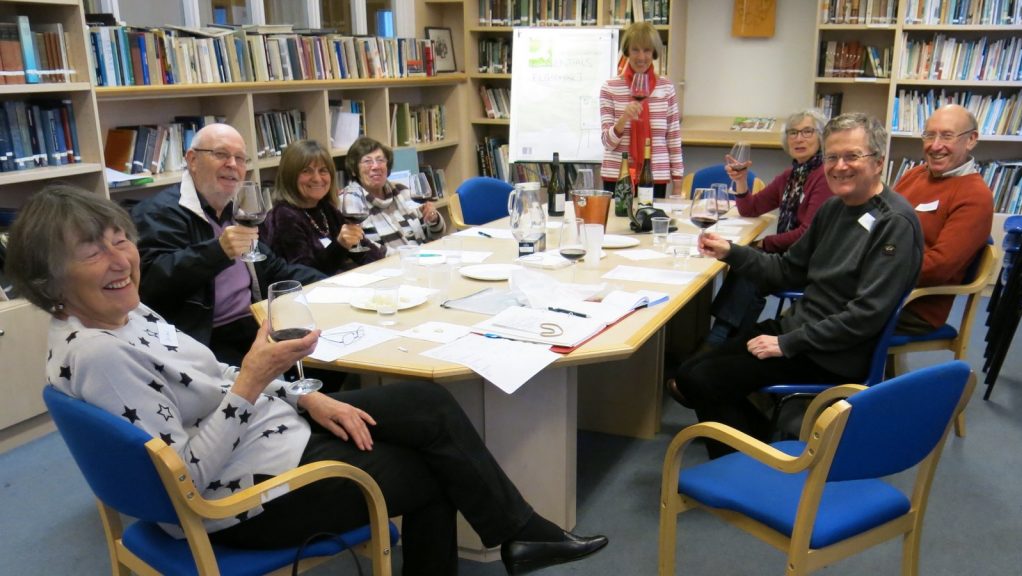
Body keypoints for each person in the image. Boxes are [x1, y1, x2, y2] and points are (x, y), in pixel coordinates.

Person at [8, 184, 608, 576]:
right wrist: (253, 381)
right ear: (50, 277)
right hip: (238, 500)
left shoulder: (126, 312)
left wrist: (304, 392)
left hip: (270, 435)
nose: (121, 260)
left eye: (121, 241)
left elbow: (211, 375)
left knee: (426, 405)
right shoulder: (101, 355)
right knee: (434, 470)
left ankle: (522, 534)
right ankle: (521, 534)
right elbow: (184, 479)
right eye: (94, 253)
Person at [669, 113, 923, 458]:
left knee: (704, 380)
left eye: (852, 156)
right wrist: (732, 253)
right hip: (800, 331)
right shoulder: (834, 208)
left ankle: (749, 466)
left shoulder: (895, 223)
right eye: (832, 157)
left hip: (832, 352)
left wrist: (787, 343)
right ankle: (764, 446)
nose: (840, 166)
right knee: (686, 372)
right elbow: (787, 271)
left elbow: (865, 316)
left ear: (878, 162)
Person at [131, 124, 324, 368]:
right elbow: (150, 284)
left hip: (255, 321)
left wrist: (335, 282)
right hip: (205, 338)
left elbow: (275, 269)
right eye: (221, 154)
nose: (232, 164)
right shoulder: (159, 212)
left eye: (240, 158)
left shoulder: (236, 212)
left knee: (326, 349)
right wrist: (218, 251)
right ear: (192, 159)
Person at [706, 108, 834, 345]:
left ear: (822, 137)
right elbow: (750, 208)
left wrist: (766, 243)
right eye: (793, 133)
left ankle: (721, 340)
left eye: (807, 131)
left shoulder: (824, 176)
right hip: (787, 257)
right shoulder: (791, 176)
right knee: (747, 261)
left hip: (809, 263)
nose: (799, 138)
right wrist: (741, 182)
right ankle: (727, 338)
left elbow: (807, 234)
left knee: (748, 263)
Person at [892, 104, 993, 335]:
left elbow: (938, 267)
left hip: (915, 304)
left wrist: (875, 268)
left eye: (947, 136)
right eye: (929, 135)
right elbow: (882, 220)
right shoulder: (914, 174)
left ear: (971, 139)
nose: (935, 146)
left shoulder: (975, 196)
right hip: (884, 285)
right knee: (821, 293)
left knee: (830, 311)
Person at [263, 139, 385, 275]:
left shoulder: (326, 209)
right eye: (306, 171)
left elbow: (370, 254)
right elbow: (305, 276)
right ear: (290, 176)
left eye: (323, 170)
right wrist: (340, 246)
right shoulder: (284, 216)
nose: (317, 178)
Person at [599, 21, 684, 198]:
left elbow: (673, 139)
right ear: (627, 51)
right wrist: (623, 120)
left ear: (653, 53)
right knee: (618, 225)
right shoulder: (610, 87)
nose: (641, 57)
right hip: (618, 176)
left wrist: (678, 183)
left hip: (655, 176)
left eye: (646, 50)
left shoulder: (666, 87)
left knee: (649, 224)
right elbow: (608, 142)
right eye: (635, 50)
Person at [342, 136, 445, 253]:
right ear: (354, 170)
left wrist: (433, 219)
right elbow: (362, 252)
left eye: (380, 160)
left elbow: (434, 236)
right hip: (387, 267)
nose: (375, 166)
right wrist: (409, 256)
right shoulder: (349, 202)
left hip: (420, 260)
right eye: (367, 161)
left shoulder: (402, 191)